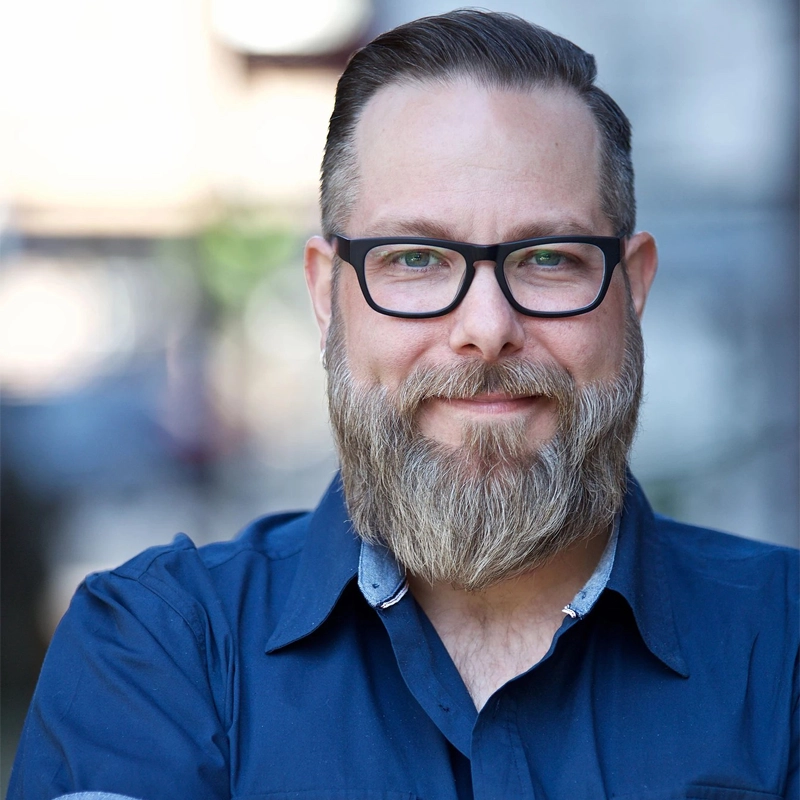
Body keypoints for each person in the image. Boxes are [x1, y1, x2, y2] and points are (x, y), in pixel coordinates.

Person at [9, 10, 798, 800]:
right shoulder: (161, 652)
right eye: (416, 258)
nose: (486, 330)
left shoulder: (787, 645)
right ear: (326, 295)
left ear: (633, 288)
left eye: (549, 258)